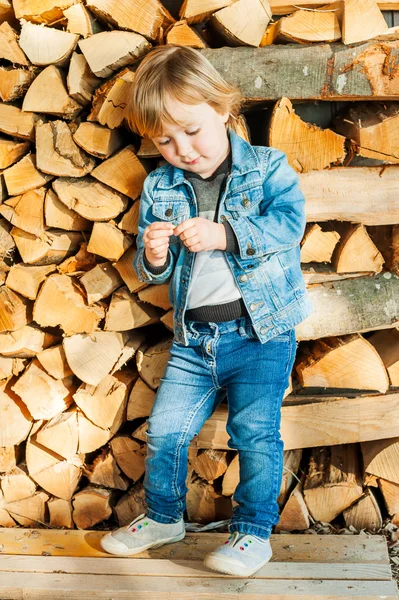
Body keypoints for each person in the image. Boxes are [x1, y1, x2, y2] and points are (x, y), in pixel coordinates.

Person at [100, 45, 313, 577]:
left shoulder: (267, 169)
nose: (183, 150)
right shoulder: (160, 186)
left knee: (255, 432)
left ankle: (252, 532)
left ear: (222, 109)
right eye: (165, 141)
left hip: (262, 332)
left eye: (192, 131)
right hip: (195, 339)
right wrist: (153, 254)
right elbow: (161, 268)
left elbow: (290, 224)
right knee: (166, 430)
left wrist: (227, 233)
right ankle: (165, 517)